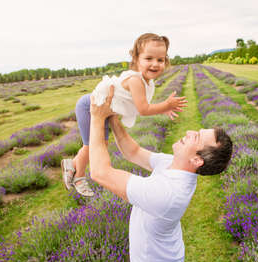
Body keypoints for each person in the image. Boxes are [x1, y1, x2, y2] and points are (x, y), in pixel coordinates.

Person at [89, 86, 233, 262]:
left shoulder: (167, 193)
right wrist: (111, 117)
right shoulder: (174, 164)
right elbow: (133, 152)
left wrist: (95, 118)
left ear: (197, 160)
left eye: (197, 137)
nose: (189, 132)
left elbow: (100, 172)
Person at [61, 33, 187, 197]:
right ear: (136, 59)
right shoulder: (135, 80)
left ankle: (71, 165)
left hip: (104, 110)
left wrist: (164, 108)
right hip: (90, 106)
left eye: (160, 60)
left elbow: (140, 106)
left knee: (101, 144)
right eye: (149, 58)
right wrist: (166, 105)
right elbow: (143, 109)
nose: (155, 64)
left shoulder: (148, 82)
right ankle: (78, 176)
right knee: (92, 146)